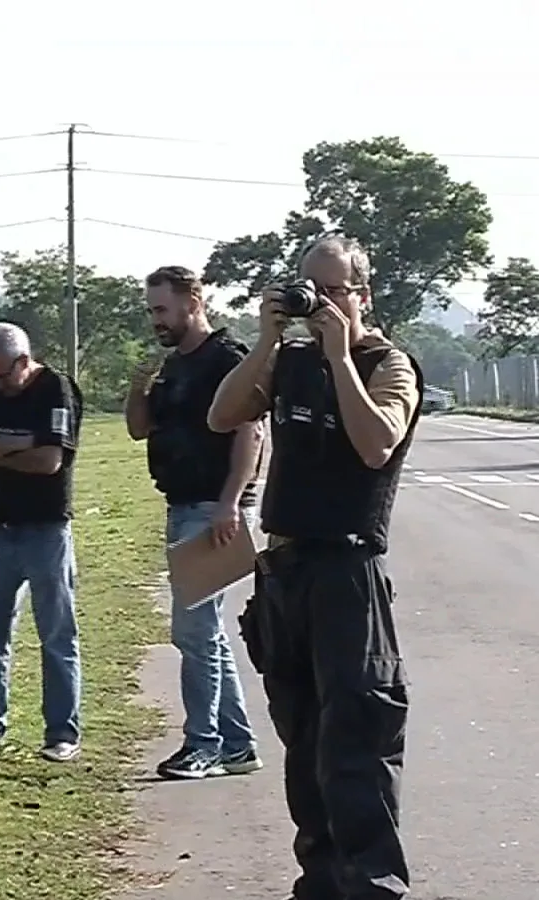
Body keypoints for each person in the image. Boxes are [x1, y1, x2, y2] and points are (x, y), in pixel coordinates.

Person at [208, 235, 421, 900]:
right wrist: (270, 341)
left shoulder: (389, 365)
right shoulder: (290, 357)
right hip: (286, 571)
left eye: (333, 290)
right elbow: (223, 415)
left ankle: (374, 887)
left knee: (355, 743)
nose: (319, 302)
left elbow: (376, 443)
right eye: (309, 288)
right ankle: (321, 884)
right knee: (302, 741)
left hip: (347, 573)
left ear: (363, 295)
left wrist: (339, 357)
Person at [125, 265, 264, 780]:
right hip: (181, 505)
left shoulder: (226, 359)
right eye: (150, 310)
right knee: (205, 633)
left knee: (194, 631)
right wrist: (139, 387)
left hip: (212, 508)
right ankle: (237, 744)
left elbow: (250, 434)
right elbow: (140, 430)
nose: (155, 320)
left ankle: (202, 744)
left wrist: (230, 502)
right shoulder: (172, 366)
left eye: (161, 309)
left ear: (193, 302)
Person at [0, 322, 84, 762]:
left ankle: (61, 732)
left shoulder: (56, 389)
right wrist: (14, 446)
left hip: (45, 528)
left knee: (56, 634)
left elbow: (49, 459)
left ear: (24, 361)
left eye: (2, 376)